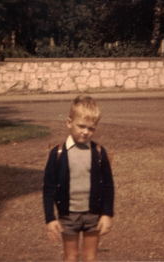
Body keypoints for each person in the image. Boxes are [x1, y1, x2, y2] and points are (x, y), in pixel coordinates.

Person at [43, 95, 114, 261]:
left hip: (93, 214)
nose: (85, 132)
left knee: (90, 257)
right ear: (69, 122)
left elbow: (108, 186)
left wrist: (107, 213)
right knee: (71, 257)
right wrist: (50, 218)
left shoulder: (98, 152)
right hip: (68, 215)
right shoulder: (57, 153)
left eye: (91, 128)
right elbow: (48, 187)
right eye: (81, 126)